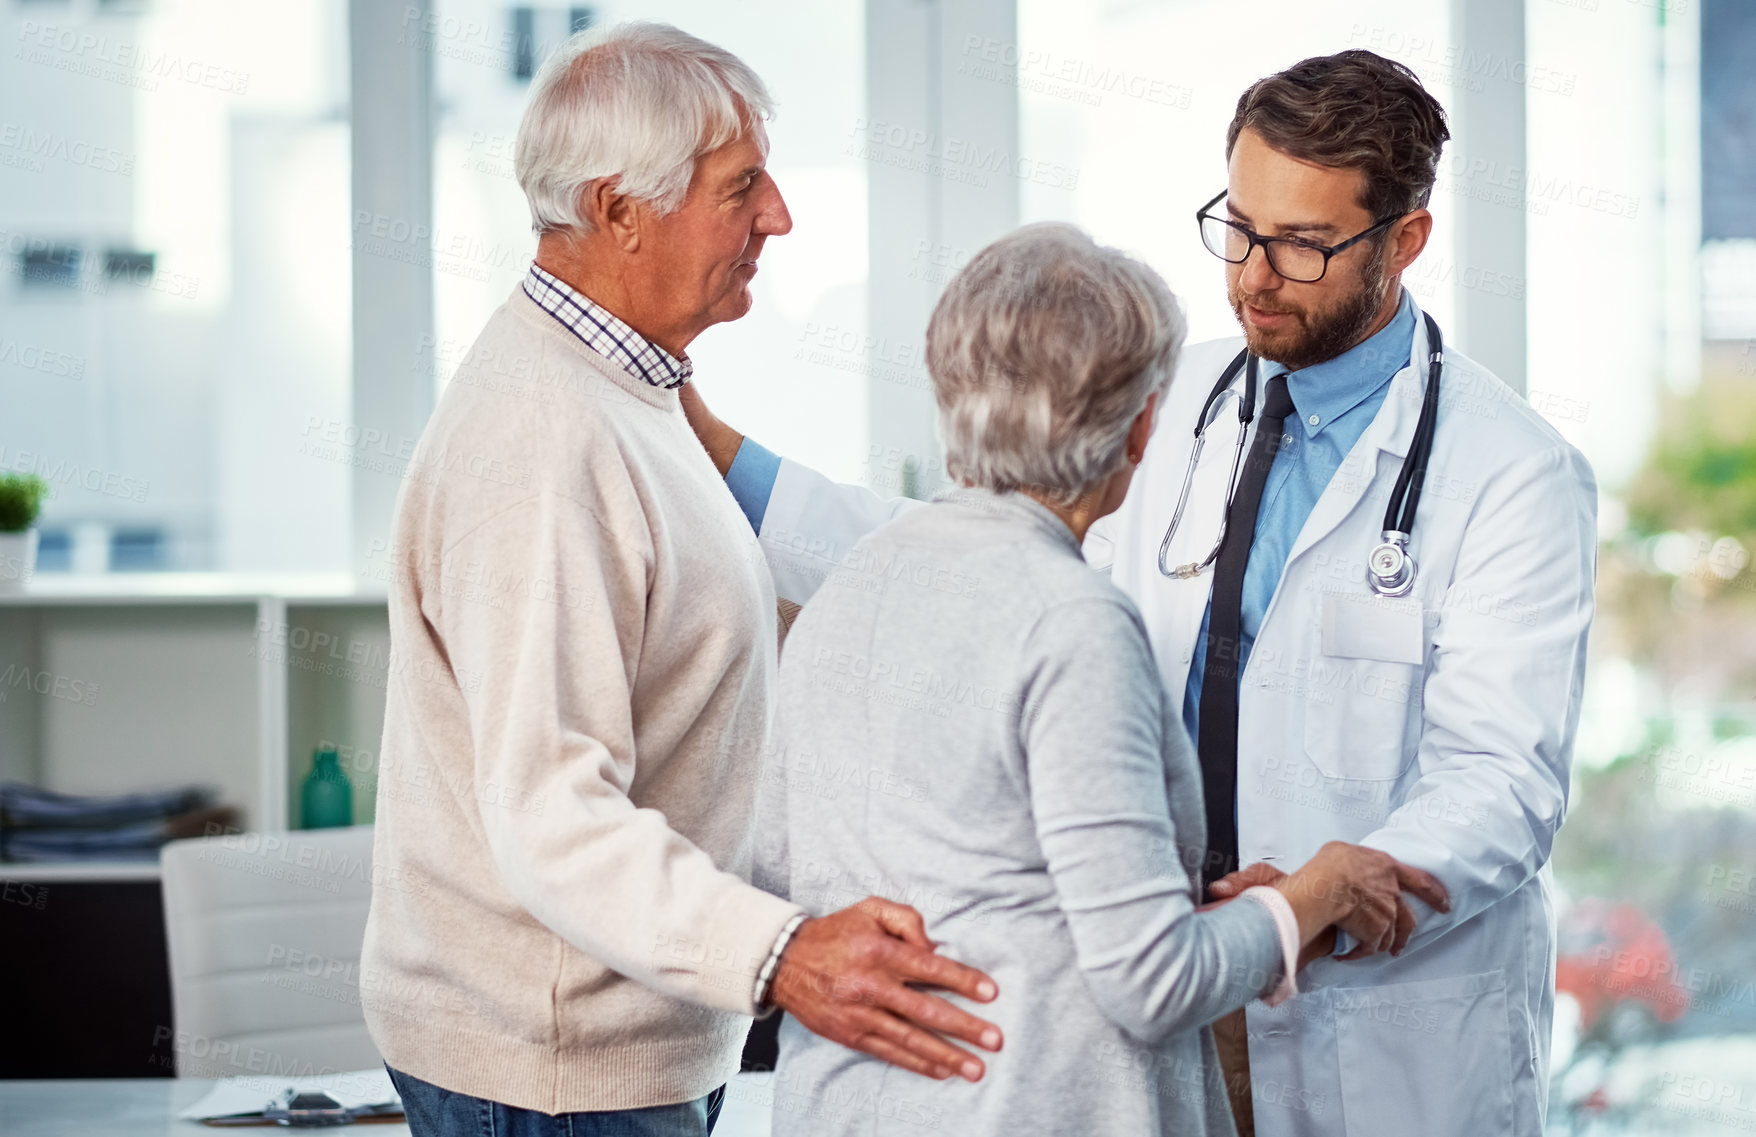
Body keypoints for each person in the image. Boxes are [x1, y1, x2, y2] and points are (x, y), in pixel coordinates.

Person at [683, 50, 1596, 1137]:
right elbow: (978, 562)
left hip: (1370, 1019)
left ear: (1404, 242)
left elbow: (1501, 781)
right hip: (1168, 990)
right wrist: (712, 448)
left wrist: (1318, 901)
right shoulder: (1163, 392)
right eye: (1239, 227)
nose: (1254, 273)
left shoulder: (1511, 472)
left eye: (1303, 245)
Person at [358, 23, 1002, 1136]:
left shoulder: (627, 394)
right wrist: (784, 952)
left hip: (610, 1045)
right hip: (550, 1073)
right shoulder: (544, 444)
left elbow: (721, 616)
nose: (778, 218)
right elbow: (552, 811)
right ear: (618, 211)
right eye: (739, 187)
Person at [753, 221, 1448, 1136]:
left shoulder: (852, 584)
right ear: (1143, 428)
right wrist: (1313, 893)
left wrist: (1174, 898)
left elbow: (796, 875)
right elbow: (1153, 981)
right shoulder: (1073, 621)